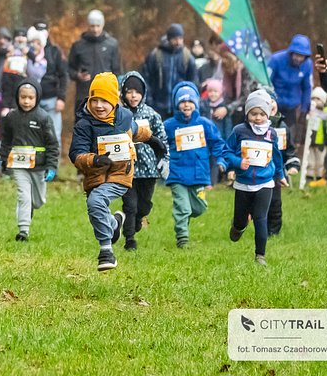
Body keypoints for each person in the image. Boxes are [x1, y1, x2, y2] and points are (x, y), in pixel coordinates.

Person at [69, 72, 154, 271]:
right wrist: (94, 159)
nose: (99, 105)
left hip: (120, 174)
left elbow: (137, 130)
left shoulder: (124, 117)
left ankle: (106, 252)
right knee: (96, 209)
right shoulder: (83, 125)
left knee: (95, 201)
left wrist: (153, 140)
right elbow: (76, 154)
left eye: (104, 101)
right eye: (94, 100)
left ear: (114, 101)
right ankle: (114, 224)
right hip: (95, 176)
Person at [216, 89, 287, 265]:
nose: (258, 118)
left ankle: (260, 255)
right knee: (241, 220)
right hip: (243, 183)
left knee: (260, 217)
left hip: (265, 183)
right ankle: (238, 226)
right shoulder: (239, 131)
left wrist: (280, 174)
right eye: (253, 114)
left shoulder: (272, 133)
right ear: (247, 113)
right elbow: (226, 151)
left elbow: (276, 156)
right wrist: (238, 162)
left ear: (268, 114)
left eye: (262, 114)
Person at [163, 82, 225, 248]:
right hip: (177, 173)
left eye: (190, 101)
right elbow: (160, 144)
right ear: (176, 104)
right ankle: (182, 238)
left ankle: (183, 218)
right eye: (182, 101)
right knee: (183, 207)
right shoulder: (169, 125)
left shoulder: (204, 124)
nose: (186, 105)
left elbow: (217, 143)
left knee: (199, 208)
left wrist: (220, 160)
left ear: (196, 103)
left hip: (199, 173)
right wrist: (161, 161)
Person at [0, 79, 59, 241]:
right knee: (23, 196)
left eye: (30, 98)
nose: (26, 101)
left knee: (38, 202)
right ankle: (23, 231)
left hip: (39, 167)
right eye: (23, 97)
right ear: (17, 97)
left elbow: (52, 144)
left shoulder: (43, 118)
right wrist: (3, 160)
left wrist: (52, 166)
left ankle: (28, 208)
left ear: (37, 98)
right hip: (18, 166)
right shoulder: (11, 117)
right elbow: (5, 141)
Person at [118, 72, 167, 251]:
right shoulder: (119, 114)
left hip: (149, 169)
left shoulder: (151, 114)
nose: (133, 96)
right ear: (123, 93)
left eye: (137, 92)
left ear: (143, 93)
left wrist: (164, 159)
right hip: (126, 168)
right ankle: (129, 239)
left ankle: (139, 219)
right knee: (130, 205)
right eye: (129, 92)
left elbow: (162, 138)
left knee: (144, 206)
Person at [142, 24, 198, 118]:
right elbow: (147, 79)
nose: (178, 42)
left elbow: (193, 82)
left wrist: (189, 101)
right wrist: (150, 101)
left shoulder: (187, 57)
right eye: (175, 39)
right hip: (158, 106)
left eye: (180, 38)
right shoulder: (156, 55)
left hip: (180, 106)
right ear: (169, 39)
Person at [265, 92, 300, 237]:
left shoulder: (283, 127)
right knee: (254, 204)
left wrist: (292, 165)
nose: (270, 104)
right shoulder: (249, 128)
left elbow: (289, 150)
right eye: (266, 102)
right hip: (256, 173)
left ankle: (273, 232)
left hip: (275, 174)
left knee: (275, 203)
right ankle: (243, 223)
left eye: (272, 100)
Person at [67, 10, 122, 102]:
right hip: (84, 94)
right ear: (88, 25)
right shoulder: (78, 45)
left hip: (106, 92)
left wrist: (118, 89)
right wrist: (78, 75)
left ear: (103, 25)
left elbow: (117, 70)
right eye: (92, 26)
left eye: (98, 26)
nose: (95, 29)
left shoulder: (112, 44)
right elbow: (69, 68)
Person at [30, 23, 69, 149]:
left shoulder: (55, 51)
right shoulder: (27, 51)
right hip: (31, 99)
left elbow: (63, 75)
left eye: (43, 30)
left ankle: (53, 162)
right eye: (38, 30)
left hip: (52, 99)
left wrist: (61, 98)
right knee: (34, 136)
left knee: (53, 135)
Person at [268, 34, 313, 143]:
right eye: (296, 54)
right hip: (273, 105)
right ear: (291, 52)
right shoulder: (275, 59)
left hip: (291, 109)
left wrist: (304, 110)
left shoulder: (308, 65)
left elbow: (307, 87)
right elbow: (266, 82)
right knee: (270, 136)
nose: (298, 58)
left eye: (301, 56)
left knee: (287, 139)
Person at [199, 79, 231, 183]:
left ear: (220, 92)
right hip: (205, 138)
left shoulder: (223, 108)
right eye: (210, 91)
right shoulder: (203, 105)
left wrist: (227, 138)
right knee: (206, 159)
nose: (213, 94)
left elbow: (227, 125)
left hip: (219, 138)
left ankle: (213, 181)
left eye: (215, 91)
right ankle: (205, 179)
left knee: (215, 159)